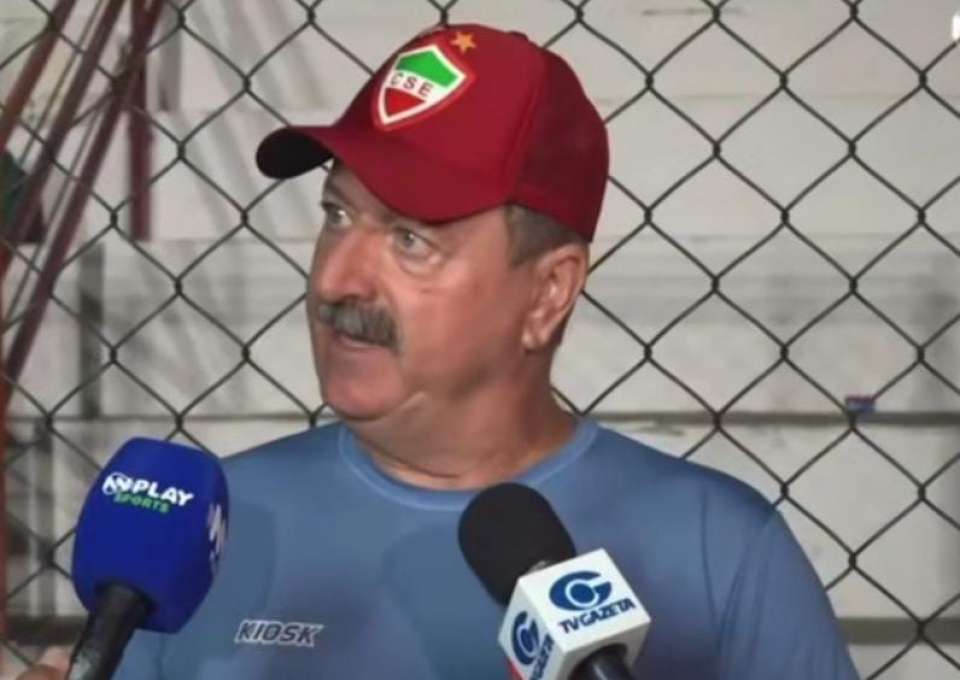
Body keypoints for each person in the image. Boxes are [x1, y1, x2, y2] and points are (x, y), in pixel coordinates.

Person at [18, 23, 859, 680]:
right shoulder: (201, 533)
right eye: (336, 215)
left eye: (412, 239)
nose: (337, 278)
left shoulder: (719, 553)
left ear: (548, 293)